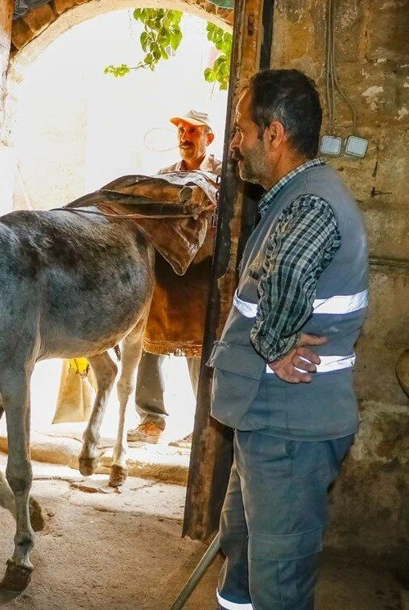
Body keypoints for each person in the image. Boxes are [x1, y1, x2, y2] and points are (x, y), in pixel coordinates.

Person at [212, 69, 368, 609]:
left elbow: (285, 274)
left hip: (291, 430)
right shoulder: (293, 197)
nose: (235, 143)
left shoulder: (310, 204)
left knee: (278, 583)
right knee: (244, 559)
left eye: (241, 130)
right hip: (267, 421)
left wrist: (276, 343)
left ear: (273, 134)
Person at [127, 109, 222, 444]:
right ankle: (151, 421)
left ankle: (204, 427)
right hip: (166, 272)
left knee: (200, 349)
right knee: (150, 343)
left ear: (208, 138)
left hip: (202, 274)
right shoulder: (164, 176)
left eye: (192, 131)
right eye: (181, 130)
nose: (184, 136)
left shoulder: (223, 176)